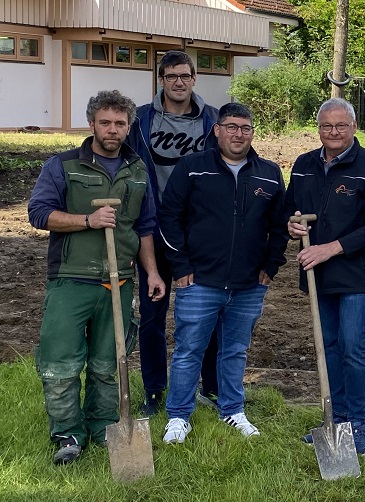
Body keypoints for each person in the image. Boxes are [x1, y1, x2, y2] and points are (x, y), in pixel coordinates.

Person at [28, 90, 166, 466]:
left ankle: (105, 426)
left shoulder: (138, 170)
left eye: (120, 123)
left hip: (119, 281)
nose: (112, 130)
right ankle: (68, 433)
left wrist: (151, 272)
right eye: (105, 122)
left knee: (110, 363)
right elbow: (39, 213)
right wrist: (87, 221)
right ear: (91, 124)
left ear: (129, 127)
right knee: (60, 365)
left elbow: (146, 226)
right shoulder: (63, 166)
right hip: (71, 280)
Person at [159, 102, 288, 443]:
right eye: (231, 126)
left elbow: (279, 225)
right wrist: (181, 265)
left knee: (235, 350)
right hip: (199, 279)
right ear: (216, 130)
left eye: (245, 128)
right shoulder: (192, 167)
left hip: (248, 283)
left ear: (252, 133)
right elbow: (169, 217)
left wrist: (270, 266)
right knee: (189, 350)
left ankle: (232, 409)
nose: (238, 134)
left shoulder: (269, 173)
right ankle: (178, 416)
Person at [285, 99, 365, 456]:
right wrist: (291, 225)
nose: (333, 133)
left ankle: (358, 423)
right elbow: (292, 210)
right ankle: (336, 417)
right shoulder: (303, 165)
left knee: (351, 345)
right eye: (326, 127)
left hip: (358, 274)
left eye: (340, 126)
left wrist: (330, 248)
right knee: (328, 346)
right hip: (318, 274)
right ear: (318, 129)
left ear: (353, 126)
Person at [126, 50, 221, 416]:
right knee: (153, 315)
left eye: (184, 76)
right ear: (161, 80)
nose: (178, 82)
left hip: (199, 233)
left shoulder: (211, 119)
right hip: (153, 230)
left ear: (194, 79)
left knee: (208, 314)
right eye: (171, 76)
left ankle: (209, 387)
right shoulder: (141, 119)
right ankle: (154, 389)